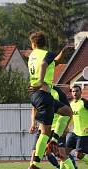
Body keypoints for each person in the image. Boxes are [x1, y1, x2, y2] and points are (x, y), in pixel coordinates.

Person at [27, 31, 72, 169]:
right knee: (45, 133)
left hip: (36, 95)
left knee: (67, 112)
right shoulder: (47, 54)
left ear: (33, 43)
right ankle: (34, 164)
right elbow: (44, 64)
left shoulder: (31, 55)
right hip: (43, 93)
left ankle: (53, 140)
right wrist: (41, 81)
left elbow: (55, 61)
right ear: (43, 43)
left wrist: (63, 52)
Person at [29, 86, 75, 169]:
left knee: (61, 154)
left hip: (56, 129)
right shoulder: (39, 91)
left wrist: (66, 127)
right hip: (43, 128)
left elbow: (69, 112)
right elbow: (34, 108)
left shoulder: (58, 92)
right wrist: (33, 123)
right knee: (34, 155)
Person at [66, 85, 88, 167]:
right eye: (73, 91)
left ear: (81, 92)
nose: (75, 93)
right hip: (74, 132)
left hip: (83, 134)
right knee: (64, 153)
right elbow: (71, 118)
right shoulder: (71, 104)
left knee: (79, 155)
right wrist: (67, 127)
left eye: (77, 91)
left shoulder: (84, 103)